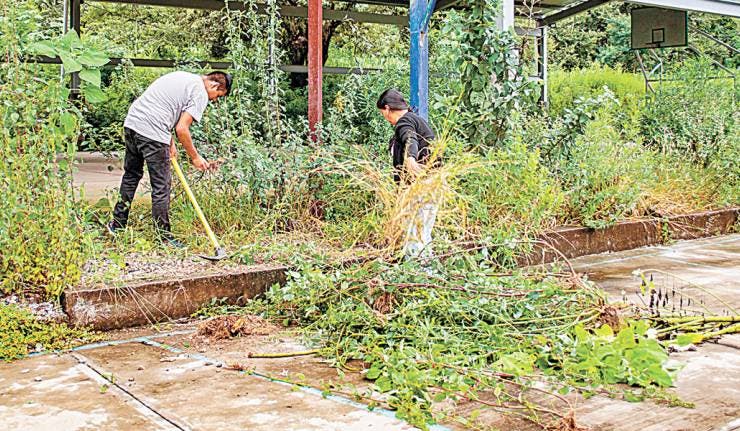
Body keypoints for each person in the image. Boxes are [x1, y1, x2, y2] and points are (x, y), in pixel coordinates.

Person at [107, 70, 232, 247]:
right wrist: (195, 157)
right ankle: (163, 237)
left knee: (131, 175)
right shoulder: (200, 93)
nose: (214, 100)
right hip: (152, 132)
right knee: (161, 186)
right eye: (218, 95)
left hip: (133, 123)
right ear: (214, 85)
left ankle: (117, 225)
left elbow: (163, 107)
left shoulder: (182, 77)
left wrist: (169, 140)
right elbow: (182, 128)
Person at [376, 89, 439, 258]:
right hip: (431, 185)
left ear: (387, 108)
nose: (385, 117)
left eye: (382, 113)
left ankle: (416, 269)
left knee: (415, 235)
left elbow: (410, 138)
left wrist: (410, 158)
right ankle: (426, 267)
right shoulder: (415, 120)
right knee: (423, 234)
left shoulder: (405, 122)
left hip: (420, 188)